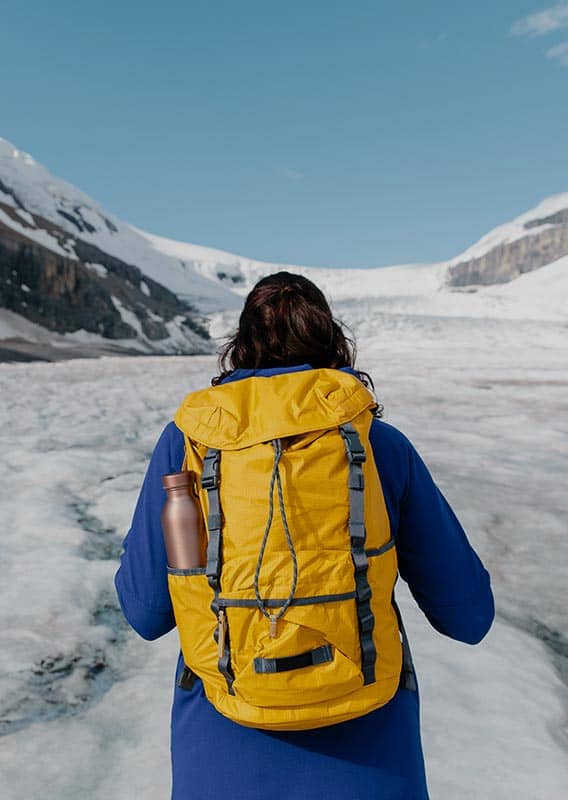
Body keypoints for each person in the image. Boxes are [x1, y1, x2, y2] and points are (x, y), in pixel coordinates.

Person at [114, 270, 495, 800]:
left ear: (239, 347)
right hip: (370, 760)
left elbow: (146, 613)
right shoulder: (379, 444)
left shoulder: (188, 444)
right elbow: (469, 617)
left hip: (223, 758)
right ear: (333, 343)